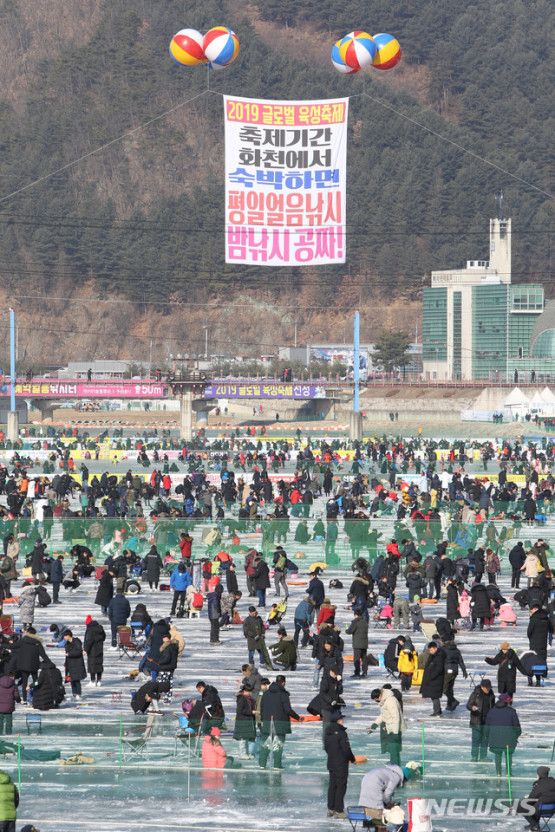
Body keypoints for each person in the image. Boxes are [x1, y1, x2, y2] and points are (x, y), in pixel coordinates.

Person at [259, 675, 300, 770]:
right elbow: (288, 710)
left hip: (267, 721)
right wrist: (297, 717)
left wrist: (263, 719)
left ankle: (262, 764)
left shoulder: (266, 693)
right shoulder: (283, 694)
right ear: (283, 682)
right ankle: (277, 765)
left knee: (266, 742)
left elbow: (261, 707)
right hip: (280, 722)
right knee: (278, 743)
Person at [324, 712, 356, 819]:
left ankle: (331, 809)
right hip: (341, 763)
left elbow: (327, 748)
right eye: (341, 719)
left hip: (331, 762)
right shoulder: (342, 733)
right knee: (341, 786)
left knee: (332, 785)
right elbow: (346, 749)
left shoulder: (327, 732)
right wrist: (352, 759)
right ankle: (338, 810)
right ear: (338, 720)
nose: (343, 720)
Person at [485, 693, 521, 775]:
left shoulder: (491, 711)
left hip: (495, 739)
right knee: (508, 756)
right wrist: (515, 736)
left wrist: (489, 737)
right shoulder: (512, 711)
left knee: (498, 755)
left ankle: (498, 773)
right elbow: (517, 727)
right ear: (506, 702)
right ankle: (508, 773)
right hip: (509, 740)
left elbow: (486, 727)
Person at [368, 687, 405, 766]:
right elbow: (383, 715)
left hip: (394, 729)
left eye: (375, 699)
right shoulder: (385, 701)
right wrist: (374, 725)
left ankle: (396, 768)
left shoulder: (390, 701)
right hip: (390, 728)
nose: (375, 701)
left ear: (380, 695)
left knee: (394, 750)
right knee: (393, 750)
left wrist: (395, 732)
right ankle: (395, 765)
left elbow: (396, 717)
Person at [13, 627, 47, 703]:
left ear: (28, 632)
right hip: (34, 666)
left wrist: (4, 645)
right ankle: (36, 697)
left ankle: (24, 699)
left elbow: (13, 646)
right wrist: (50, 663)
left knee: (24, 683)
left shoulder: (23, 640)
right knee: (36, 681)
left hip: (24, 666)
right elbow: (43, 655)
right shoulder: (37, 642)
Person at [517, 766, 555, 831]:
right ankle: (533, 824)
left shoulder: (539, 784)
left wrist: (526, 798)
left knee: (519, 806)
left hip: (542, 810)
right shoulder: (553, 781)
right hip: (552, 810)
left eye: (537, 773)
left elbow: (531, 799)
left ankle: (534, 825)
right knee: (539, 803)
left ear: (540, 774)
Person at [466, 678, 495, 761]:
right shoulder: (476, 694)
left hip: (487, 721)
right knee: (476, 739)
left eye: (489, 687)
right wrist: (472, 707)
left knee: (485, 740)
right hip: (476, 720)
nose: (488, 689)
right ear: (482, 687)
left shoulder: (491, 694)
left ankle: (483, 757)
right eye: (487, 687)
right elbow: (468, 705)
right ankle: (474, 757)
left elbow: (493, 707)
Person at [420, 641, 446, 716]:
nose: (430, 651)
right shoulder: (433, 656)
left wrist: (431, 676)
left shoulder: (439, 656)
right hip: (432, 680)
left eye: (431, 650)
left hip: (436, 680)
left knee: (435, 696)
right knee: (433, 696)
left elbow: (439, 669)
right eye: (429, 650)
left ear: (435, 648)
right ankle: (438, 710)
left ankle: (437, 711)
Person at [442, 639, 468, 711]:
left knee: (444, 689)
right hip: (455, 671)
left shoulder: (444, 650)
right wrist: (464, 671)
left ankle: (453, 701)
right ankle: (450, 704)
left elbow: (440, 660)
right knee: (450, 688)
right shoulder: (457, 650)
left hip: (447, 670)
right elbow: (461, 661)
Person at [233, 682, 256, 759]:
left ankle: (246, 753)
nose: (250, 693)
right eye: (249, 691)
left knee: (246, 738)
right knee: (242, 738)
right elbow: (240, 711)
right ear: (244, 691)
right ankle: (242, 754)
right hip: (242, 721)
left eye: (250, 691)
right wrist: (251, 712)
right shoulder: (242, 698)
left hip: (248, 721)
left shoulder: (249, 699)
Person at [63, 630, 87, 700]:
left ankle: (78, 694)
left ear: (68, 636)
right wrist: (65, 663)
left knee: (76, 680)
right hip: (70, 663)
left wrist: (69, 654)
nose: (64, 637)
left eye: (64, 636)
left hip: (77, 663)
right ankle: (74, 693)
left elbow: (79, 651)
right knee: (71, 679)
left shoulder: (76, 641)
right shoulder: (67, 643)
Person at [346, 610, 369, 679]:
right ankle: (365, 672)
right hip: (364, 643)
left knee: (357, 659)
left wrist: (346, 629)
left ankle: (357, 672)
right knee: (364, 658)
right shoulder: (365, 622)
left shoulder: (355, 622)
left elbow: (350, 631)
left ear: (356, 615)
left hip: (357, 643)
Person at [83, 616, 105, 687]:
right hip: (100, 649)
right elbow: (104, 637)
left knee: (92, 665)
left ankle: (92, 681)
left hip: (92, 650)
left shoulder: (90, 630)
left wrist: (85, 649)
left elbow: (88, 641)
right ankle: (99, 681)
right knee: (99, 665)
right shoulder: (100, 628)